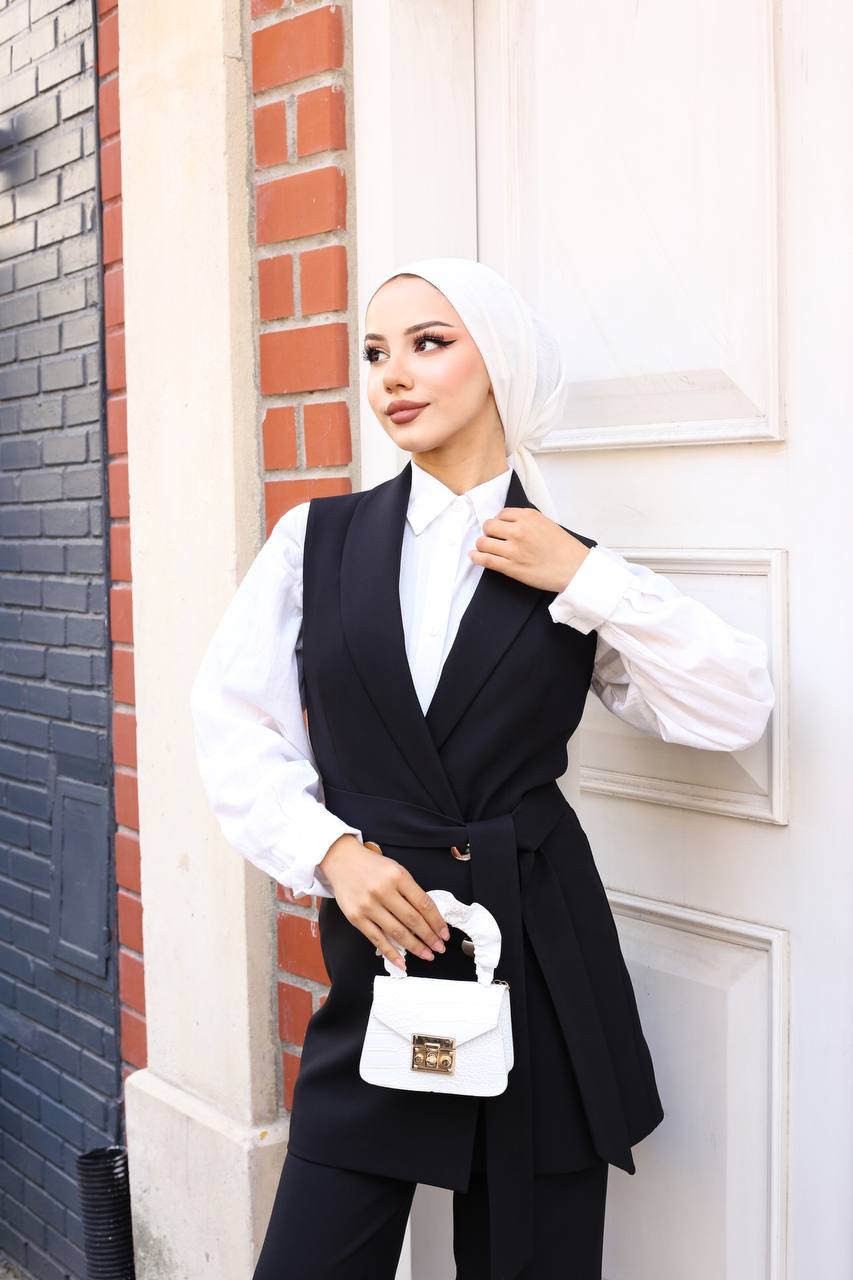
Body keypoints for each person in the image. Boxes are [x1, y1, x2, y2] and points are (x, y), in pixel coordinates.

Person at [190, 256, 776, 1279]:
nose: (392, 375)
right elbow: (233, 721)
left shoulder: (569, 561)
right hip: (383, 941)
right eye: (375, 352)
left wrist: (588, 576)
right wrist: (331, 851)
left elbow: (732, 704)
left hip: (540, 955)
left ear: (496, 359)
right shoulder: (314, 540)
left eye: (428, 342)